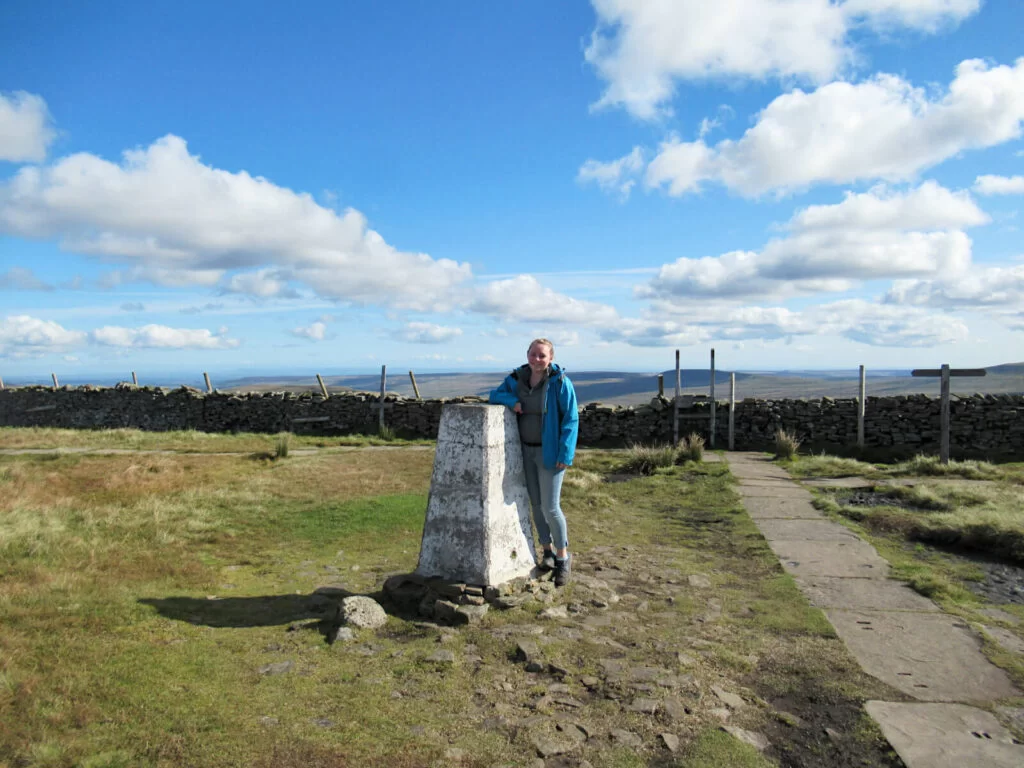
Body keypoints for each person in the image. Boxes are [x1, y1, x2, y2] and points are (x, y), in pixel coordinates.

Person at [489, 338, 579, 586]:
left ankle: (563, 559)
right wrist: (512, 402)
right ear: (527, 354)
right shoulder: (517, 379)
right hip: (525, 452)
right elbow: (494, 395)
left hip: (550, 454)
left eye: (542, 355)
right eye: (533, 354)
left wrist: (565, 454)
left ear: (551, 358)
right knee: (536, 505)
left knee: (551, 507)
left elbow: (571, 419)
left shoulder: (560, 383)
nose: (537, 359)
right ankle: (547, 552)